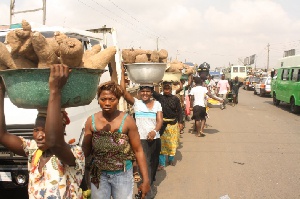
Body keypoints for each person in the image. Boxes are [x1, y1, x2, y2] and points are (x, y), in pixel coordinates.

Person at [0, 64, 85, 198]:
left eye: (45, 130)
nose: (39, 136)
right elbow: (2, 135)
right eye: (36, 130)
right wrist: (1, 90)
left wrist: (55, 90)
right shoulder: (33, 150)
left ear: (62, 128)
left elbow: (54, 142)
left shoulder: (75, 153)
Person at [81, 81, 150, 199]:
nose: (107, 103)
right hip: (99, 175)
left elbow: (138, 150)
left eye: (111, 99)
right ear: (98, 100)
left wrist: (146, 180)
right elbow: (85, 150)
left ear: (118, 100)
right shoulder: (91, 121)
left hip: (122, 175)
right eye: (103, 99)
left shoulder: (127, 121)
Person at [120, 65, 163, 199]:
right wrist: (122, 72)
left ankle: (148, 183)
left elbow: (160, 121)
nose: (145, 93)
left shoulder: (157, 104)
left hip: (155, 139)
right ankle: (146, 193)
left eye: (148, 91)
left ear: (152, 92)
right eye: (143, 91)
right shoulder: (137, 103)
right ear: (139, 92)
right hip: (141, 140)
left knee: (153, 165)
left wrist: (154, 131)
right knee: (145, 165)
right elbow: (123, 91)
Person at [152, 81, 183, 169]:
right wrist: (150, 83)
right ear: (163, 89)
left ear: (170, 89)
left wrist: (180, 122)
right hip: (162, 125)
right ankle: (161, 164)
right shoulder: (160, 98)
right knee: (161, 144)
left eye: (168, 88)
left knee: (171, 144)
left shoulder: (175, 99)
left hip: (173, 125)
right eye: (165, 88)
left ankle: (171, 159)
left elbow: (180, 111)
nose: (167, 90)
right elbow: (153, 92)